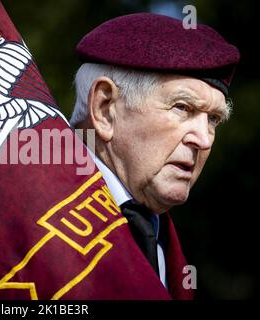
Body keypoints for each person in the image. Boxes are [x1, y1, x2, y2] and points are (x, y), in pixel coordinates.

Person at [70, 13, 240, 292]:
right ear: (104, 108)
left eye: (212, 120)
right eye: (183, 107)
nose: (204, 140)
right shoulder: (22, 216)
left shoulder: (159, 240)